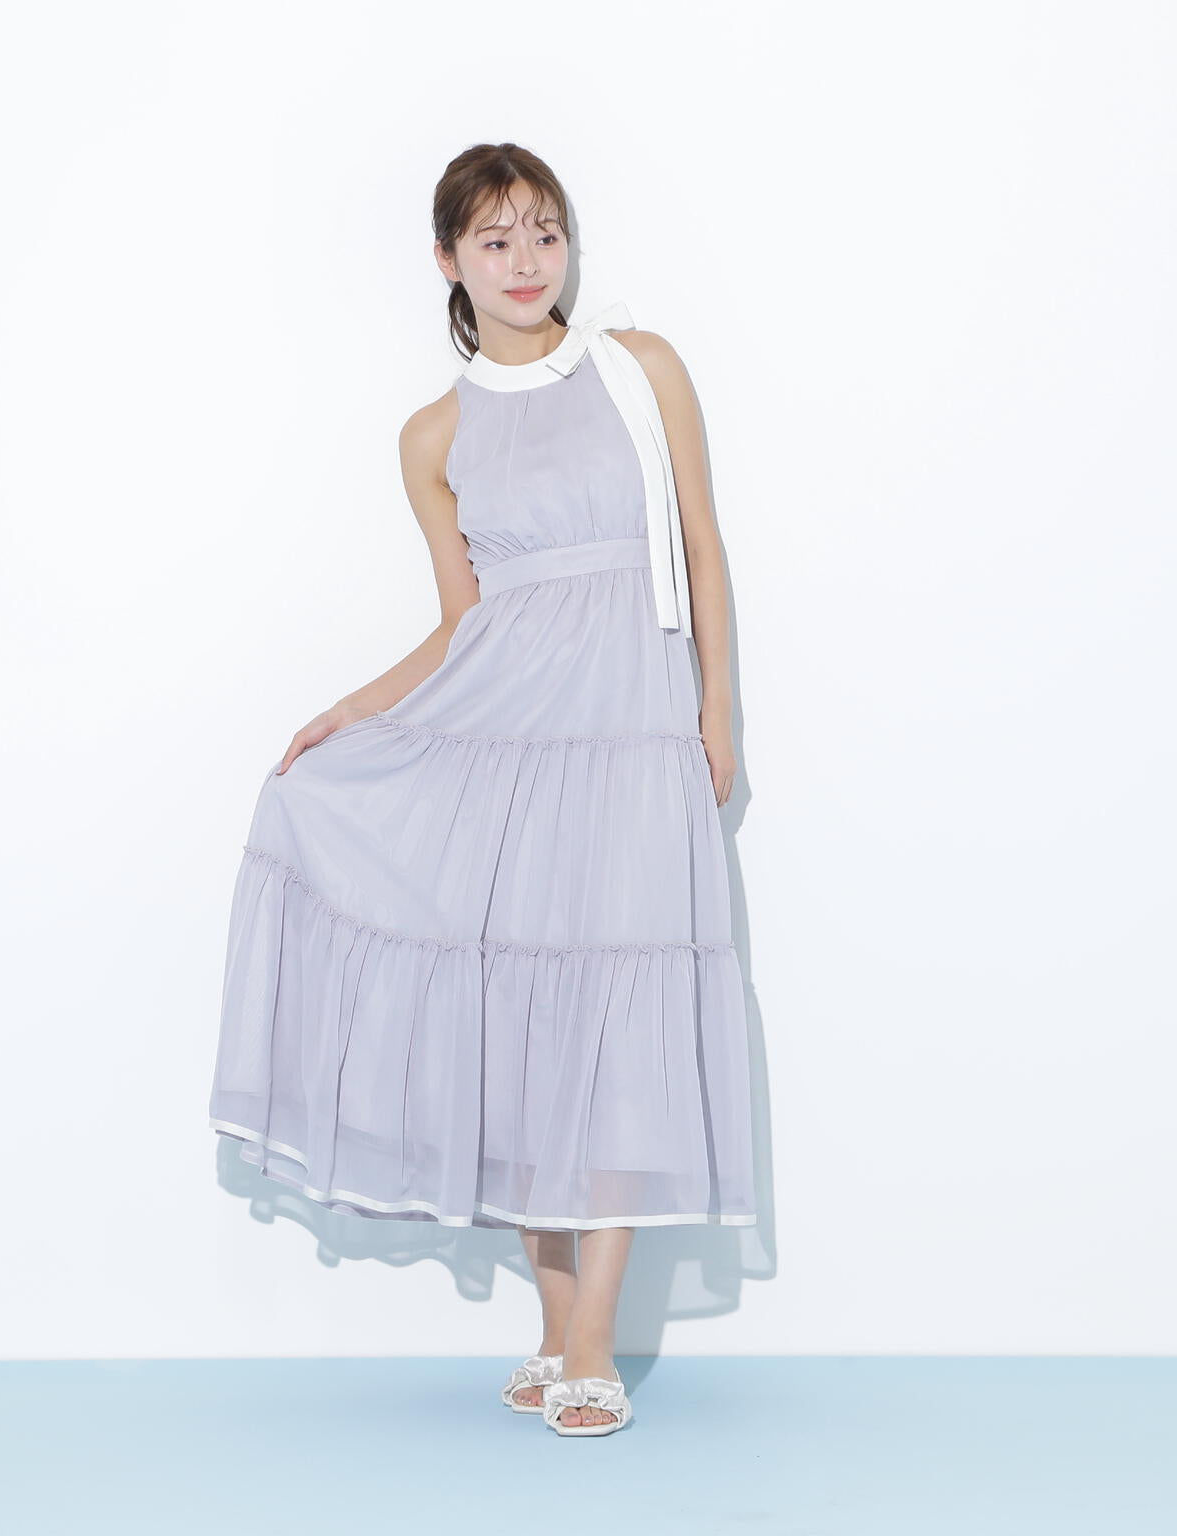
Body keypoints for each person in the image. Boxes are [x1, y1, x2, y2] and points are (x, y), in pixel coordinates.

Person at [209, 141, 760, 1437]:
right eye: (496, 240)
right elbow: (467, 623)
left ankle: (592, 1343)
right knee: (522, 1034)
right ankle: (559, 1333)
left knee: (618, 1027)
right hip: (504, 748)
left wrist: (717, 708)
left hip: (631, 745)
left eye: (544, 233)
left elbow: (701, 542)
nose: (526, 262)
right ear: (448, 259)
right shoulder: (435, 435)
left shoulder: (641, 368)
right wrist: (352, 711)